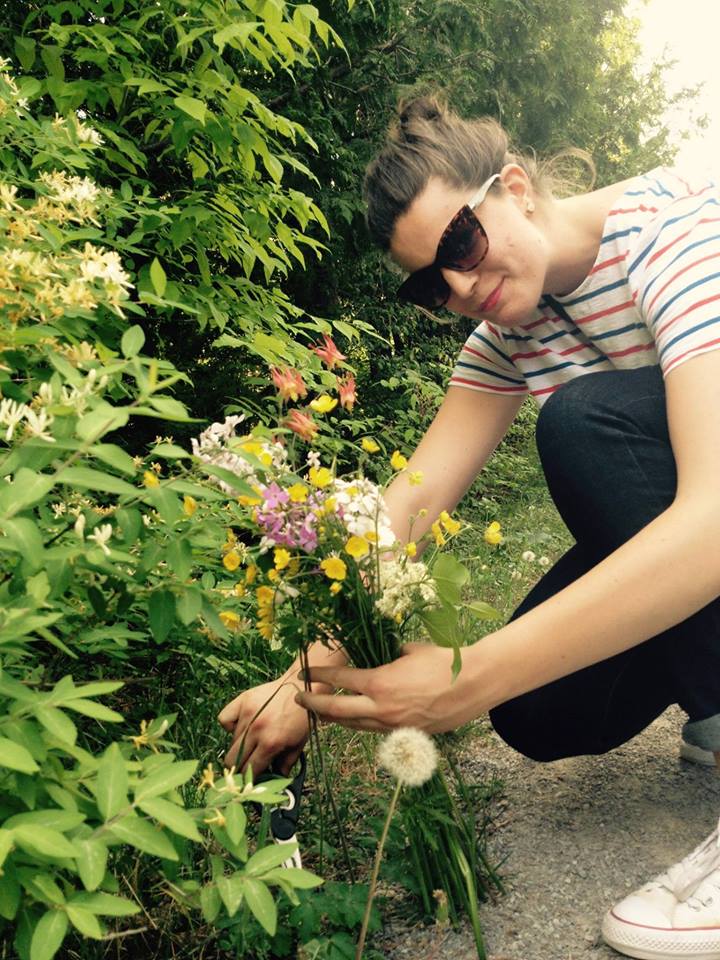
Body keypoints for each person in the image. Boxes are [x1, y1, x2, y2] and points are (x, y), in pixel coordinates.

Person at [218, 96, 720, 960]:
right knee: (534, 707)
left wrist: (467, 680)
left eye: (458, 244)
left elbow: (713, 521)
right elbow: (402, 516)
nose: (457, 289)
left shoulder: (672, 240)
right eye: (428, 284)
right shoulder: (502, 339)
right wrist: (299, 678)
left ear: (515, 188)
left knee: (584, 423)